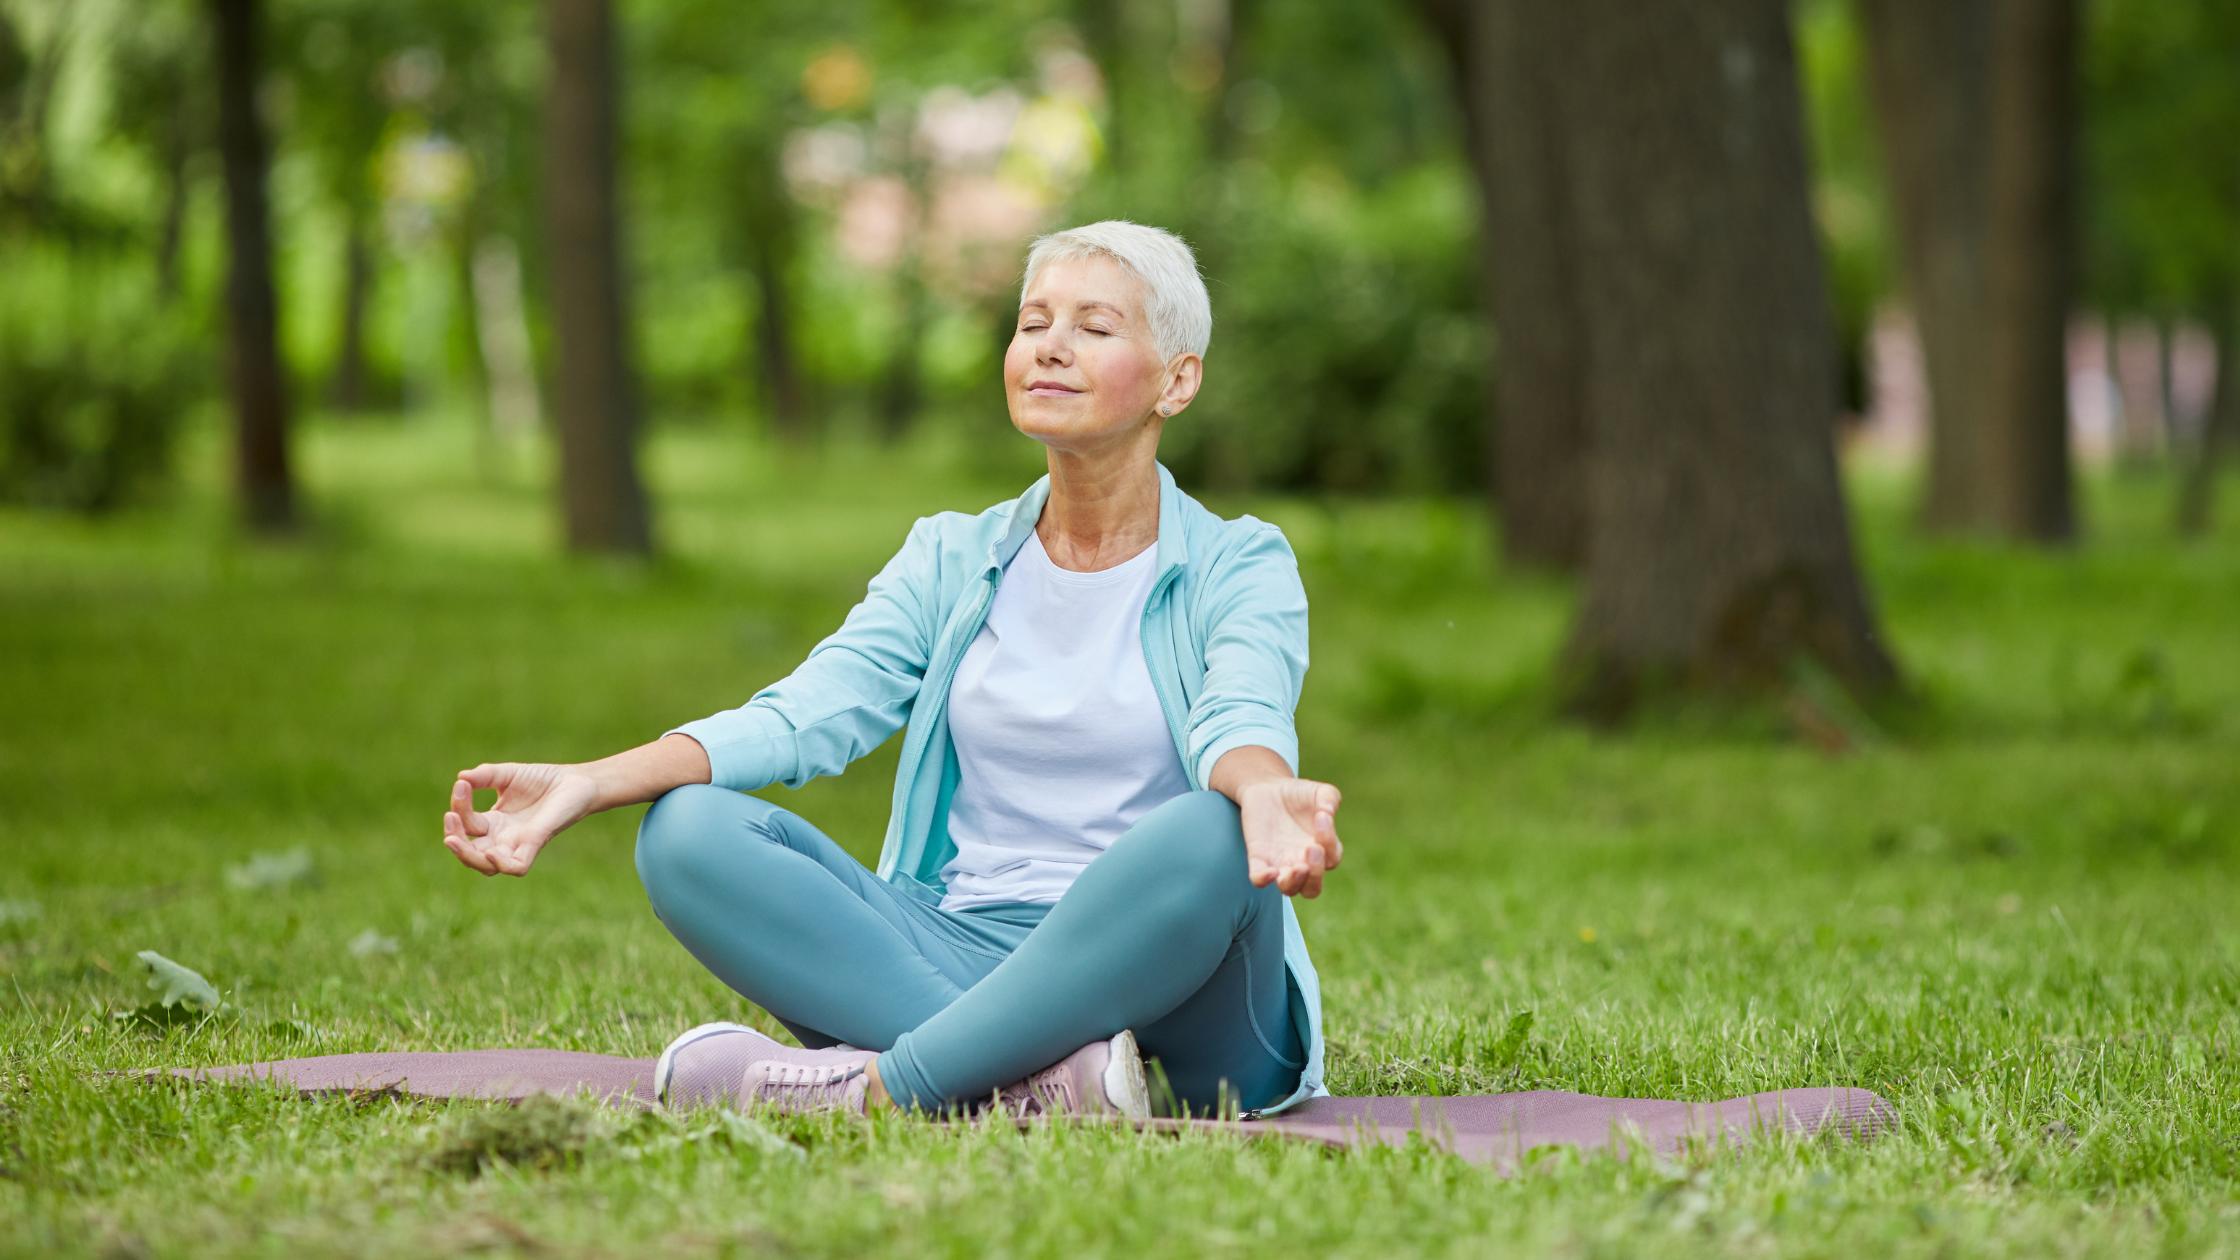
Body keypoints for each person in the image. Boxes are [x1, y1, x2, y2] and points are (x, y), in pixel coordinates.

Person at [439, 221, 1344, 1120]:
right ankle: (1041, 1083)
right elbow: (806, 713)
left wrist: (1263, 792)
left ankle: (881, 1086)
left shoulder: (1240, 562)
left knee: (1213, 832)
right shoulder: (951, 557)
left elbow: (1241, 709)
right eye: (1033, 323)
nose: (1051, 349)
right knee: (685, 832)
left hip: (1184, 986)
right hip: (957, 950)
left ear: (1176, 381)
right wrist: (594, 783)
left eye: (1094, 328)